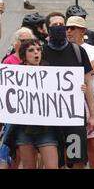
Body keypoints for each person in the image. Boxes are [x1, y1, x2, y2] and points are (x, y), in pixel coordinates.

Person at [42, 12, 94, 169]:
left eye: (61, 25)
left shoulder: (78, 52)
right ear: (47, 29)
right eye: (54, 25)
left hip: (74, 116)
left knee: (76, 157)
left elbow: (89, 85)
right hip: (50, 118)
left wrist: (93, 115)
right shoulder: (41, 52)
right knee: (56, 160)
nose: (59, 28)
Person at [11, 39, 59, 169]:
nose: (36, 52)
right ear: (23, 55)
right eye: (31, 50)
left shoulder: (51, 72)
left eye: (38, 49)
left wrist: (78, 88)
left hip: (46, 128)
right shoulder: (14, 74)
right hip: (24, 129)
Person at [65, 16, 94, 169]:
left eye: (72, 28)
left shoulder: (91, 49)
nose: (69, 31)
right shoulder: (63, 49)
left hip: (87, 100)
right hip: (67, 102)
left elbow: (92, 68)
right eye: (67, 28)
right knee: (68, 141)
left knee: (91, 142)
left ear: (82, 31)